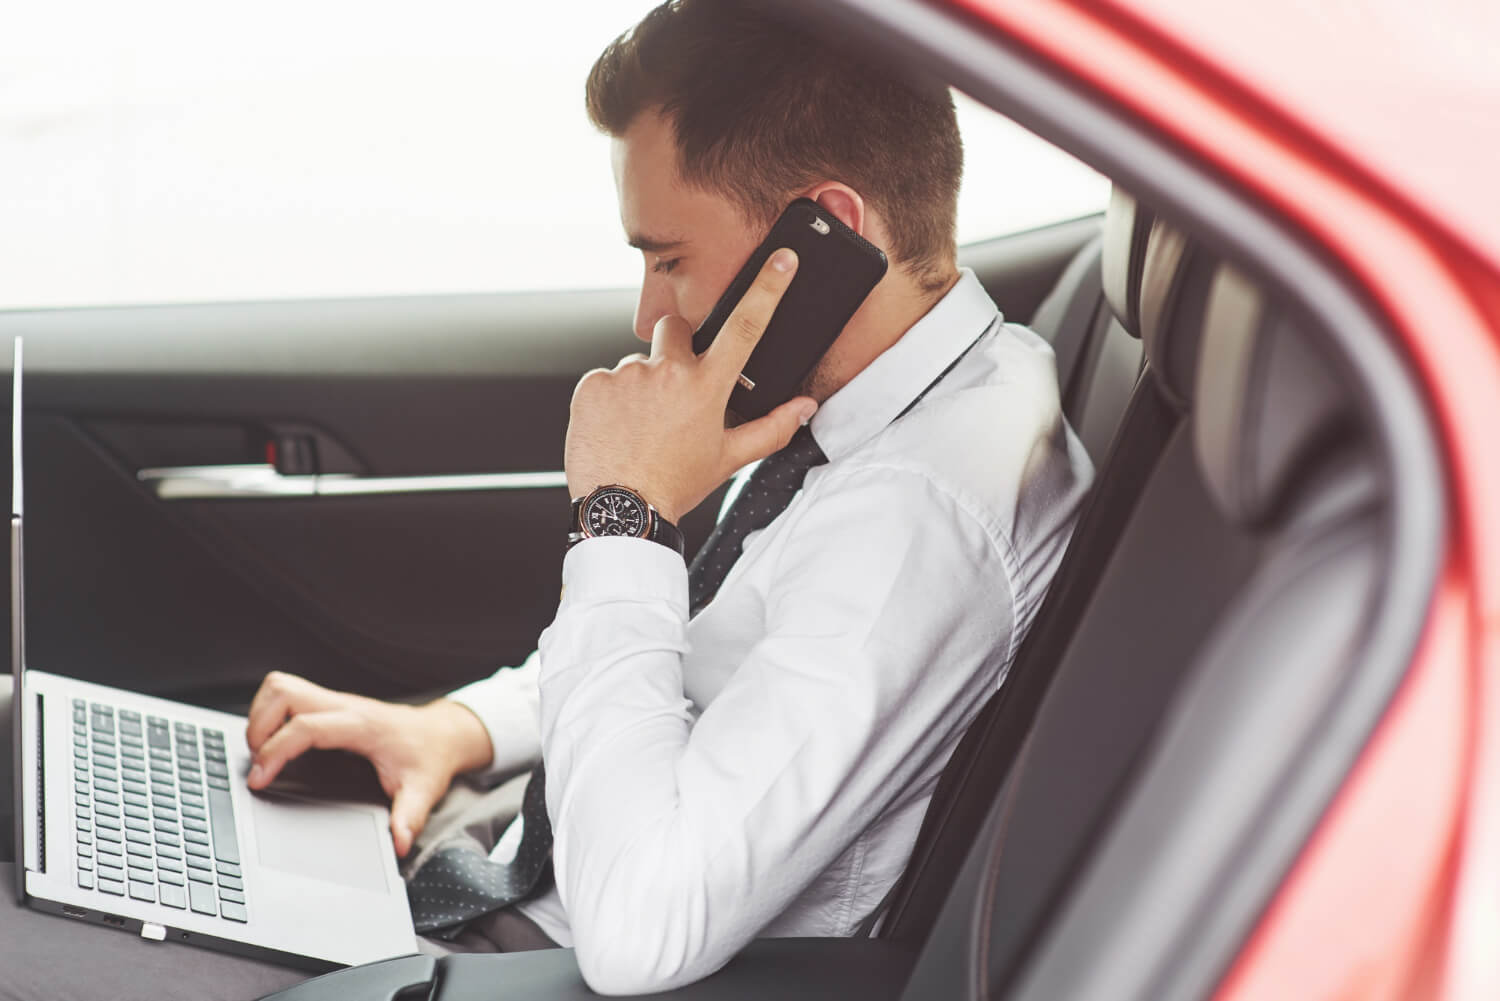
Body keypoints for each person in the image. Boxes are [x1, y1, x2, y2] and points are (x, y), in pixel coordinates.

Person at [0, 2, 1090, 998]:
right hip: (508, 875)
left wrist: (624, 513)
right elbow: (702, 656)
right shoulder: (901, 390)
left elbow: (639, 928)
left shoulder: (914, 524)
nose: (644, 310)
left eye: (669, 257)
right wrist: (463, 728)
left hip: (537, 957)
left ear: (824, 234)